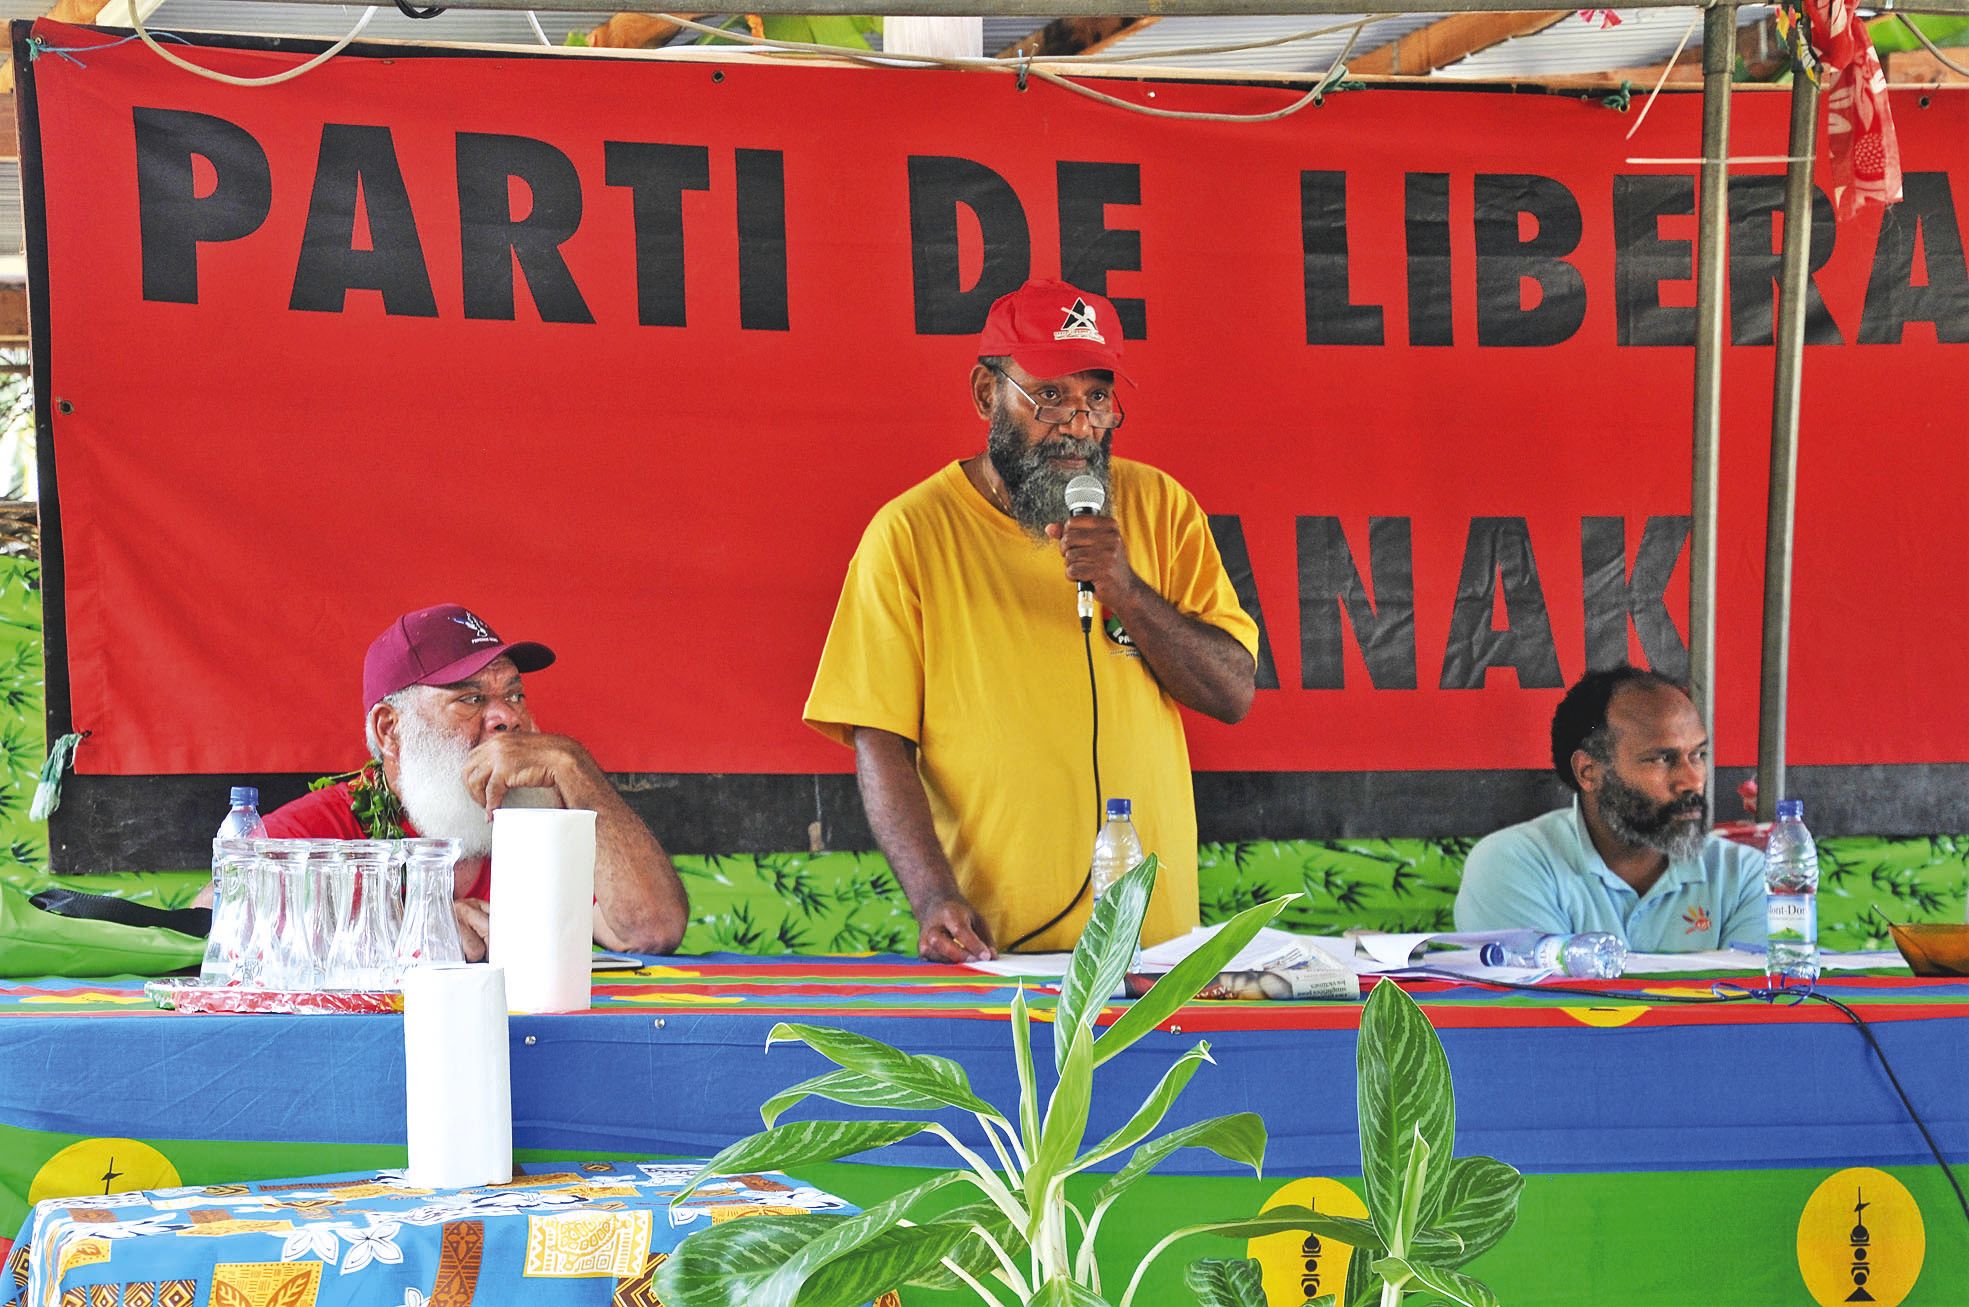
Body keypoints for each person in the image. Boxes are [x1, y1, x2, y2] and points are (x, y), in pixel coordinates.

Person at [804, 278, 1259, 962]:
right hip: (1000, 949)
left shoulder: (1162, 506)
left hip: (1154, 949)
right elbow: (879, 739)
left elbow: (1232, 692)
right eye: (1049, 395)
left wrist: (1126, 590)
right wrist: (932, 896)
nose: (1077, 424)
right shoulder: (910, 533)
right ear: (988, 394)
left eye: (1096, 398)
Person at [258, 603, 688, 959]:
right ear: (391, 730)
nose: (508, 717)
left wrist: (573, 764)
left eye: (515, 695)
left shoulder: (540, 816)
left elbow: (651, 931)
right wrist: (414, 934)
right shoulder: (324, 827)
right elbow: (215, 929)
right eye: (471, 698)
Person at [1454, 665, 1765, 950]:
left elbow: (1756, 1006)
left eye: (1698, 755)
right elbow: (1540, 1006)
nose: (1692, 780)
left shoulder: (1746, 876)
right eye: (1661, 759)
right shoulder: (1512, 865)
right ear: (1589, 772)